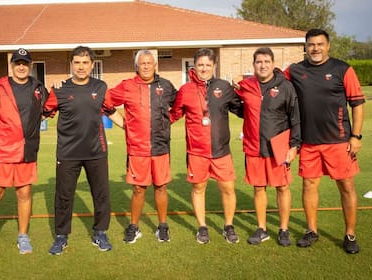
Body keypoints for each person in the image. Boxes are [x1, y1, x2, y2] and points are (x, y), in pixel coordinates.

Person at [284, 29, 365, 254]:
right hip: (308, 143)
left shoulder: (343, 69)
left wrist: (356, 136)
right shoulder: (295, 70)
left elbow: (357, 104)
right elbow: (274, 81)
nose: (315, 48)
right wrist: (247, 82)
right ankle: (311, 231)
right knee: (309, 185)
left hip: (338, 141)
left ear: (328, 46)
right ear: (306, 47)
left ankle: (350, 234)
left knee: (346, 186)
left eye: (320, 44)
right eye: (311, 44)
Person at [0, 48, 48, 260]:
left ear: (30, 65)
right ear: (12, 65)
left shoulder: (38, 88)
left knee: (24, 194)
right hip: (1, 152)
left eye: (25, 63)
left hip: (27, 151)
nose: (21, 67)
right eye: (18, 63)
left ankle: (23, 235)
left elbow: (48, 109)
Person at [44, 46, 116, 255]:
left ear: (92, 65)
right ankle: (61, 236)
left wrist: (134, 130)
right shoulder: (60, 89)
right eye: (77, 62)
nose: (81, 67)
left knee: (101, 195)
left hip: (96, 151)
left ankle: (100, 232)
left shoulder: (101, 87)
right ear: (71, 64)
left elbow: (112, 113)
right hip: (68, 153)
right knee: (64, 196)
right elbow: (43, 113)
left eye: (85, 63)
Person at [169, 48, 243, 244]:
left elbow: (242, 110)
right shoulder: (185, 90)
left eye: (208, 65)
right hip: (197, 151)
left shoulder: (224, 87)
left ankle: (228, 226)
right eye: (200, 65)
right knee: (199, 188)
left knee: (228, 188)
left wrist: (244, 88)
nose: (204, 68)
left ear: (214, 66)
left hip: (221, 150)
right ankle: (202, 227)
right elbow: (173, 115)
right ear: (195, 66)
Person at [104, 50, 177, 243]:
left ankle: (162, 226)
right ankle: (134, 226)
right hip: (138, 149)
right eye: (142, 63)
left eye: (149, 63)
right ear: (136, 66)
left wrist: (167, 123)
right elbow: (105, 102)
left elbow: (180, 106)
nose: (146, 66)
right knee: (138, 189)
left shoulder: (166, 86)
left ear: (155, 66)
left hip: (161, 147)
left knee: (161, 187)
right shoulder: (127, 86)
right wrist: (123, 124)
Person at [234, 47, 301, 246]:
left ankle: (284, 229)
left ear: (273, 64)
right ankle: (262, 228)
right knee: (259, 188)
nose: (262, 65)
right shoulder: (247, 86)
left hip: (278, 147)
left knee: (282, 187)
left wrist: (294, 146)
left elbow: (295, 118)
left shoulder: (286, 87)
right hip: (254, 147)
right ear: (253, 65)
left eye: (266, 61)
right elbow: (240, 108)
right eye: (258, 62)